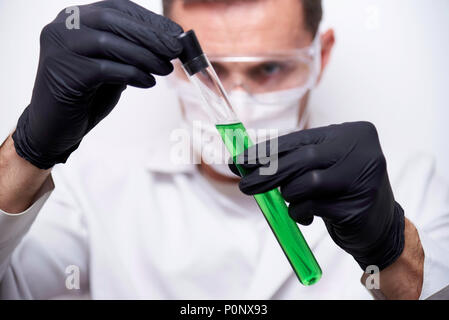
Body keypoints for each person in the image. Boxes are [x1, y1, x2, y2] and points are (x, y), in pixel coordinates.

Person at [0, 0, 448, 299]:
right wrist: (27, 152)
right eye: (209, 70)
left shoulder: (411, 183)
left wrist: (392, 251)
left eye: (270, 68)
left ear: (321, 55)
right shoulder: (92, 191)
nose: (239, 102)